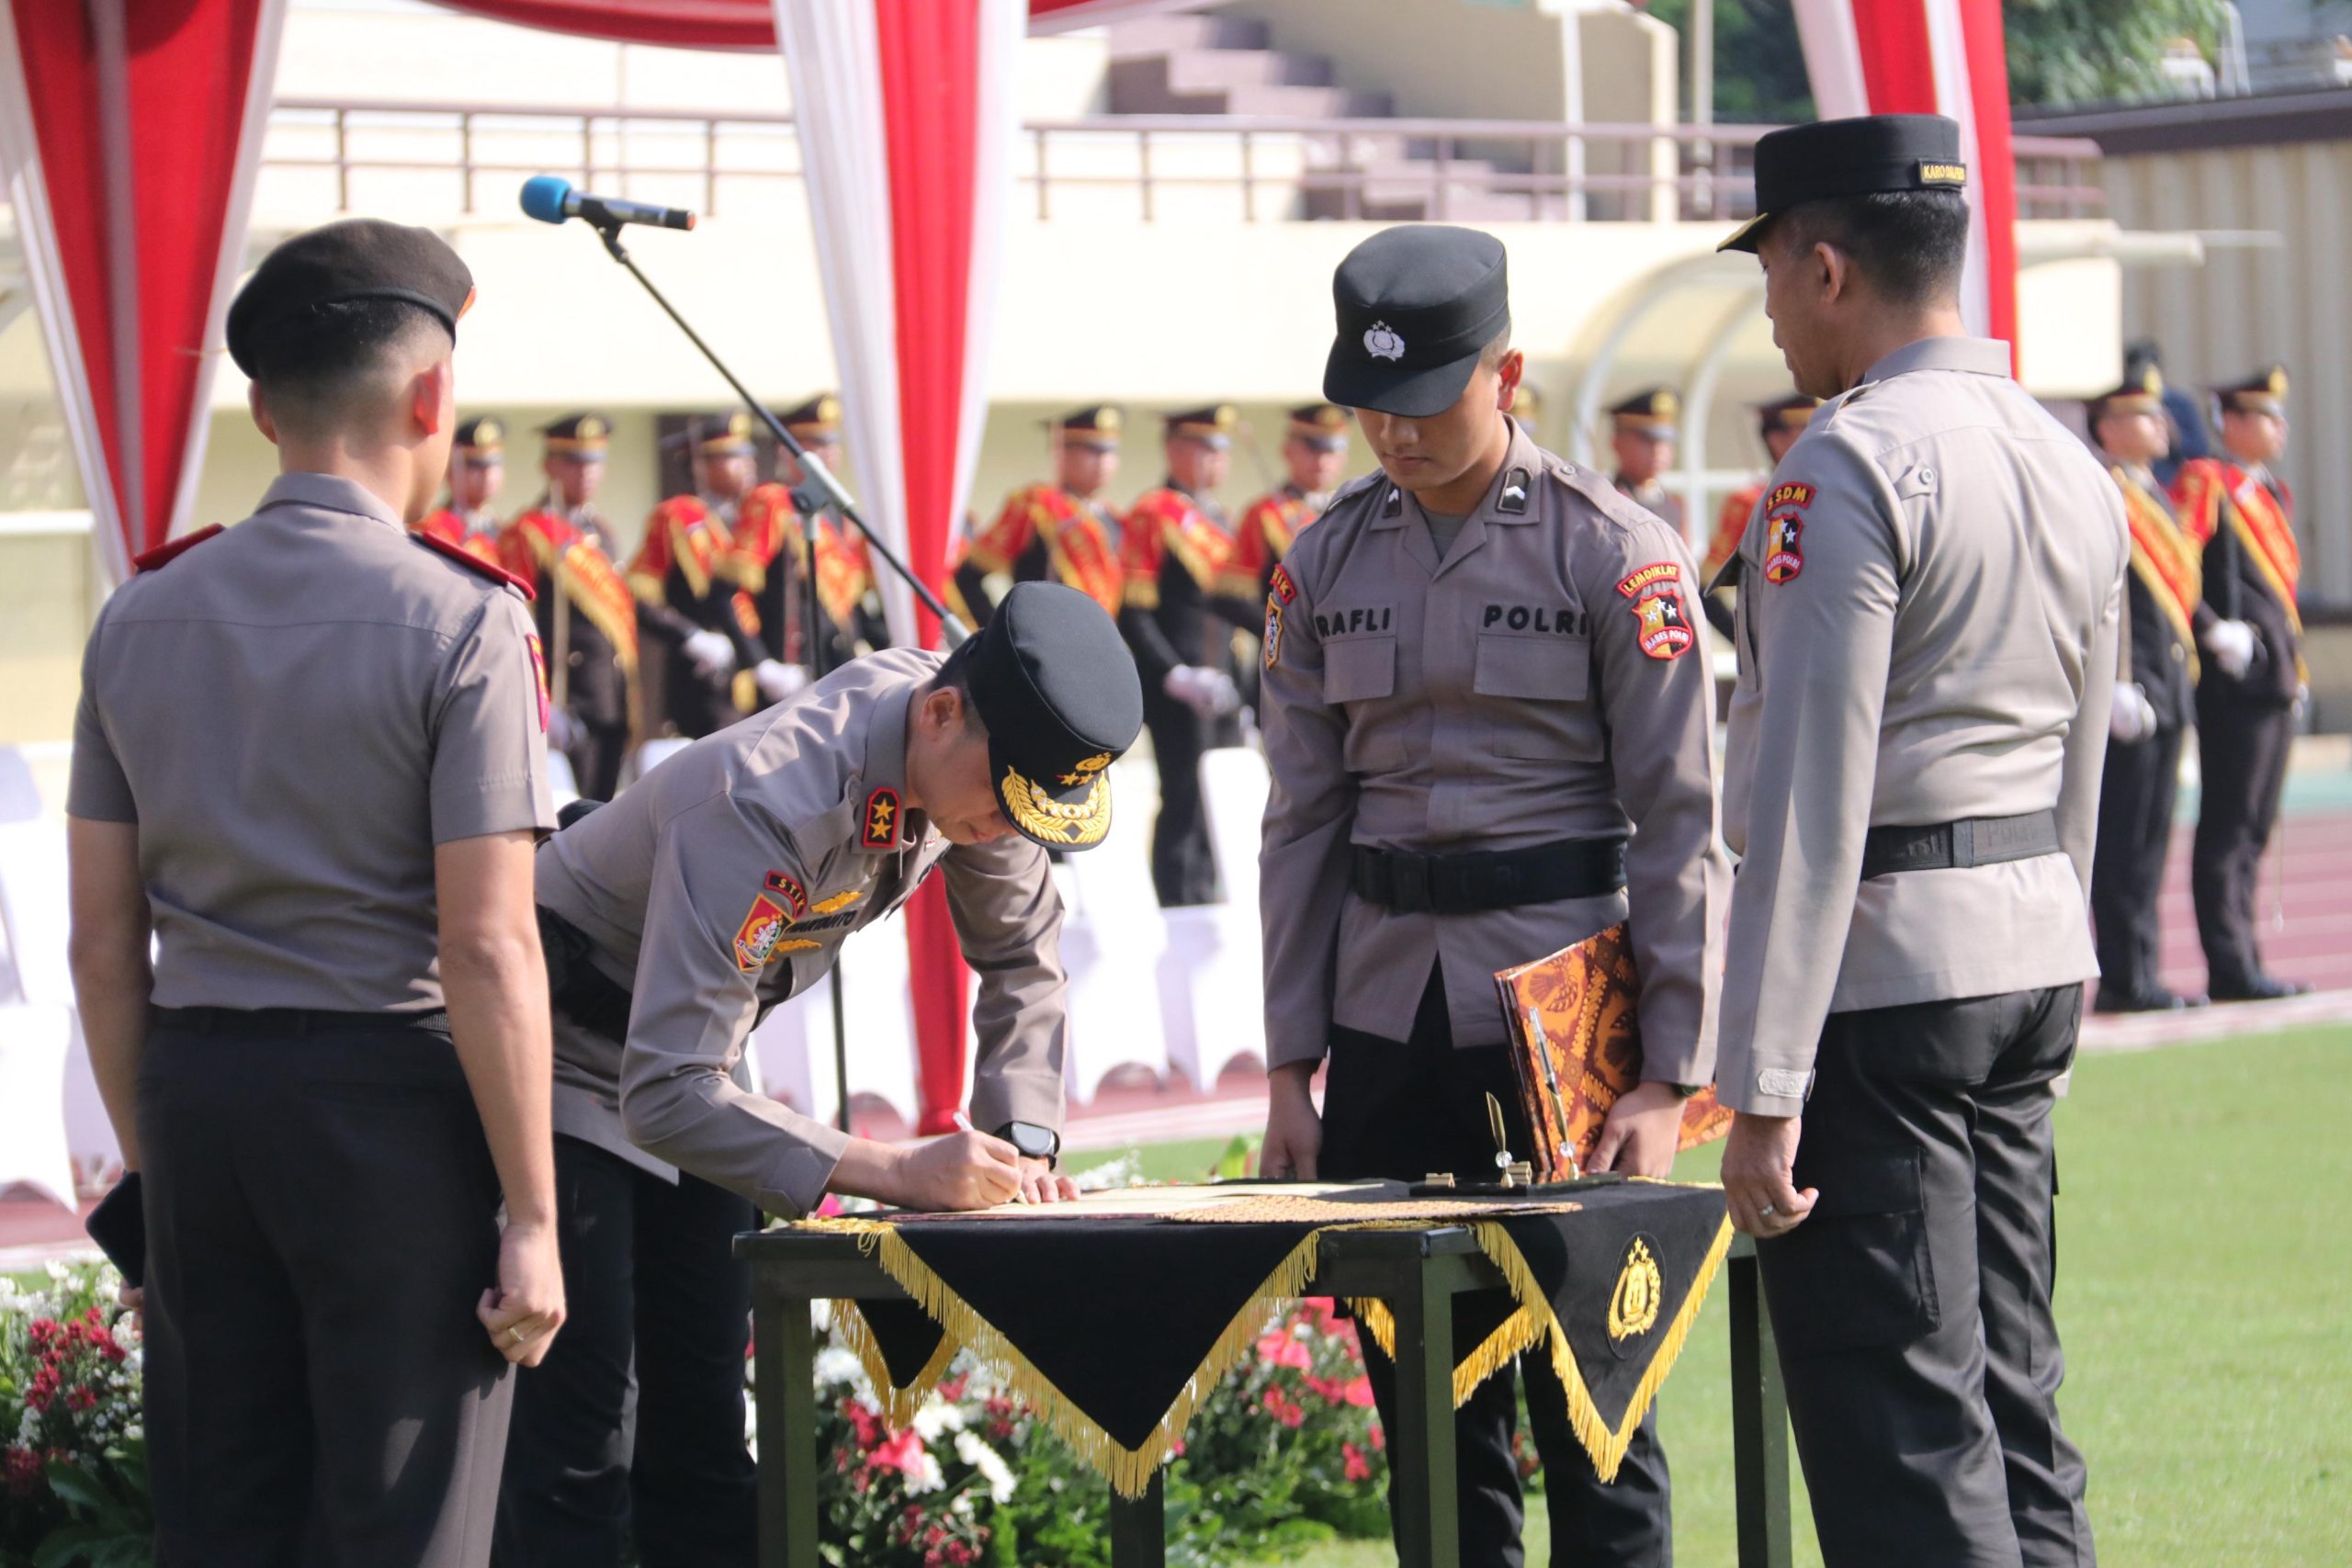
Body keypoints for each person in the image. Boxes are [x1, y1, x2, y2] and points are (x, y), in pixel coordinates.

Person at [65, 218, 564, 1567]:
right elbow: (485, 942)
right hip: (389, 1110)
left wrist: (164, 1158)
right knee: (409, 1531)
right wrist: (530, 1211)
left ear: (259, 405)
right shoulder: (466, 617)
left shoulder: (137, 615)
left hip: (197, 1098)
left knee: (223, 1526)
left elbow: (103, 946)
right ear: (431, 397)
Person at [494, 582, 1141, 1566]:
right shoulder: (769, 796)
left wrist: (1021, 1141)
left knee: (708, 1426)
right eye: (1006, 806)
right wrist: (895, 1170)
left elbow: (1019, 956)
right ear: (937, 712)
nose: (1009, 835)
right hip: (562, 1052)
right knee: (583, 1436)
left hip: (696, 1052)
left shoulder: (974, 768)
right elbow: (663, 1090)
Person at [1258, 223, 1728, 1566]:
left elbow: (1684, 821)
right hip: (1388, 1021)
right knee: (1426, 1409)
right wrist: (1295, 1066)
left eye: (1421, 403)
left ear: (1506, 371)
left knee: (1597, 1401)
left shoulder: (1613, 552)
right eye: (1368, 405)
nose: (1392, 435)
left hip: (1564, 1021)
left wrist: (1669, 1075)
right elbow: (1301, 822)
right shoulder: (1322, 561)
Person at [1709, 115, 2115, 1567]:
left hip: (1884, 982)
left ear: (1827, 267)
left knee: (1899, 1420)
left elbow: (1815, 789)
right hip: (2028, 951)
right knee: (2017, 1391)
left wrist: (1762, 1082)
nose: (1767, 314)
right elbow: (2082, 750)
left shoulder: (1847, 464)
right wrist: (2068, 943)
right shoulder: (2067, 458)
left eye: (1768, 277)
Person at [2172, 366, 2312, 1001]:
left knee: (2256, 825)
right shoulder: (2209, 482)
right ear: (2230, 422)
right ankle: (2230, 964)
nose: (2278, 427)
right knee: (2229, 827)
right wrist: (2209, 628)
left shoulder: (2269, 492)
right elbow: (2179, 566)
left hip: (2274, 675)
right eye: (2263, 415)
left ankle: (2247, 955)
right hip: (2234, 677)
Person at [2086, 365, 2206, 1013]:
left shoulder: (2155, 494)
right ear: (2108, 428)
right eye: (2142, 414)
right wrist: (2116, 681)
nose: (2160, 424)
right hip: (2132, 689)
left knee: (2153, 838)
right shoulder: (2103, 491)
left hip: (2167, 686)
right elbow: (2108, 595)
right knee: (2124, 841)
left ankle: (2144, 970)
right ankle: (2125, 978)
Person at [1120, 404, 1257, 907]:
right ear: (1174, 449)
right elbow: (1133, 610)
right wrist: (1172, 672)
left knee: (1220, 800)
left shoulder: (1218, 517)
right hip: (1179, 683)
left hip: (1222, 679)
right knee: (1185, 799)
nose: (1217, 461)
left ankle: (1210, 898)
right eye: (1205, 448)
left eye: (1222, 450)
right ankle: (1181, 903)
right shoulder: (1154, 512)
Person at [629, 414, 795, 739]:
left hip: (759, 678)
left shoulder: (755, 517)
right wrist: (690, 635)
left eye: (746, 454)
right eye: (731, 456)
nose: (746, 464)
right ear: (700, 466)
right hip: (705, 678)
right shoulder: (676, 518)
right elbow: (639, 596)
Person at [501, 414, 638, 798]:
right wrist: (543, 697)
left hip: (609, 698)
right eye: (575, 461)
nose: (587, 472)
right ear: (549, 465)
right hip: (569, 698)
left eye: (595, 461)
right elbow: (519, 617)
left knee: (604, 808)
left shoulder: (603, 532)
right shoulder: (528, 531)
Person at [729, 394, 889, 684]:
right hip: (789, 668)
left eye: (833, 443)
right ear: (788, 451)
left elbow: (850, 606)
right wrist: (760, 662)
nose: (830, 452)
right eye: (818, 443)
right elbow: (730, 590)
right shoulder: (772, 503)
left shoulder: (839, 513)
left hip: (836, 663)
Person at [950, 404, 1127, 626]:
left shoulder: (1112, 518)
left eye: (1110, 451)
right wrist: (1002, 634)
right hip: (1046, 642)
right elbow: (968, 577)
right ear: (1061, 452)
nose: (1103, 462)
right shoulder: (1036, 507)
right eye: (1091, 450)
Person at [1698, 393, 1818, 637]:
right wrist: (1749, 641)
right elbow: (1707, 587)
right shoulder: (1751, 503)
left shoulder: (1830, 493)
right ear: (1777, 440)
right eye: (1807, 428)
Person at [1228, 402, 1351, 600]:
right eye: (1312, 449)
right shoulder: (1264, 513)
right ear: (1287, 450)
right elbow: (1234, 596)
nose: (1322, 461)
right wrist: (1282, 628)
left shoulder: (1350, 509)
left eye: (1330, 451)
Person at [417, 415, 509, 566]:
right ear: (452, 472)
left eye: (495, 464)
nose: (487, 474)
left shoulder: (504, 530)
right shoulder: (432, 527)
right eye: (475, 465)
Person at [2126, 338, 2211, 490]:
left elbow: (2200, 450)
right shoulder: (2125, 404)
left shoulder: (2180, 404)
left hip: (2175, 483)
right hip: (2134, 479)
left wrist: (2174, 434)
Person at [1607, 387, 1684, 538]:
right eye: (1646, 440)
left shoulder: (1674, 504)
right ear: (1617, 443)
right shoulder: (1606, 501)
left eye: (1665, 441)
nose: (1658, 450)